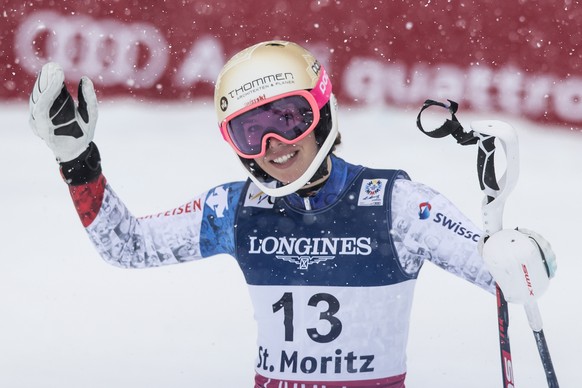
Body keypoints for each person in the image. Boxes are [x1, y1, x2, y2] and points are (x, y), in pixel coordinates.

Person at [29, 40, 556, 388]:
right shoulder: (235, 208)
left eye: (289, 117)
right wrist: (78, 163)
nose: (274, 145)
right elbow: (130, 247)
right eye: (249, 132)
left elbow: (514, 280)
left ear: (322, 111)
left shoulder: (398, 205)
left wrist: (519, 255)